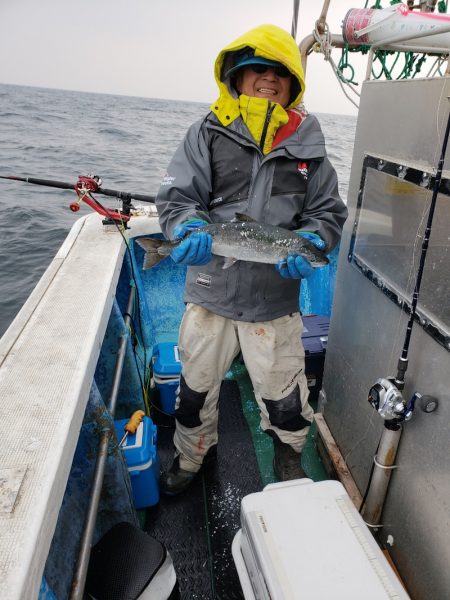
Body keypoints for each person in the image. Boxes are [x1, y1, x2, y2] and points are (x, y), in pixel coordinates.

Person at [155, 24, 348, 495]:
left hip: (273, 301)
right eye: (256, 70)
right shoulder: (207, 132)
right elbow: (179, 198)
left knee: (286, 397)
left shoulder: (311, 150)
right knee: (194, 390)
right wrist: (184, 231)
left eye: (279, 72)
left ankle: (287, 459)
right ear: (236, 78)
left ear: (293, 84)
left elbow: (327, 215)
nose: (268, 78)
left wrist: (311, 240)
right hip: (210, 292)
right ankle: (189, 456)